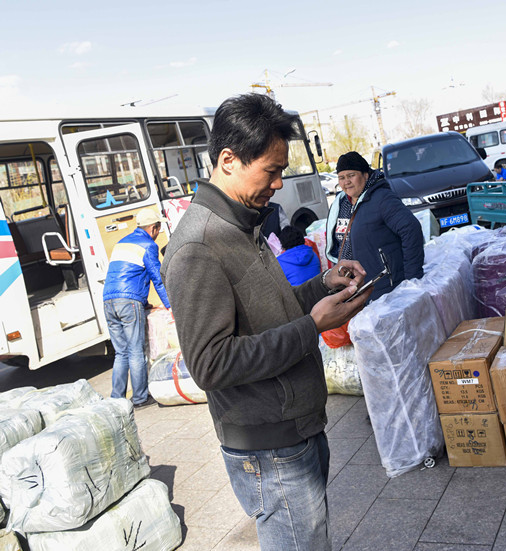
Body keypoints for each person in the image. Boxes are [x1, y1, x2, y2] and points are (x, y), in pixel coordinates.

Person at [161, 93, 370, 551]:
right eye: (271, 171)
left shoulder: (243, 224)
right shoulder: (199, 245)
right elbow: (210, 363)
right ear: (229, 160)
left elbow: (269, 312)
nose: (278, 184)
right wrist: (312, 326)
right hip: (270, 449)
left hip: (296, 430)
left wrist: (322, 286)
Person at [325, 151, 424, 303]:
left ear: (365, 175)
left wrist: (412, 278)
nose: (346, 182)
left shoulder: (382, 198)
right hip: (359, 289)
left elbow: (411, 229)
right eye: (341, 178)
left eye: (351, 175)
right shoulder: (342, 204)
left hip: (388, 289)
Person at [103, 208, 170, 408]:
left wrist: (144, 302)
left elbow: (128, 274)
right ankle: (140, 398)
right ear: (153, 228)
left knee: (121, 353)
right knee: (135, 351)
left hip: (108, 300)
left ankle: (116, 399)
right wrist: (170, 305)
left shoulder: (121, 243)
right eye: (158, 227)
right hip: (128, 302)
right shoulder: (148, 245)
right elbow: (158, 279)